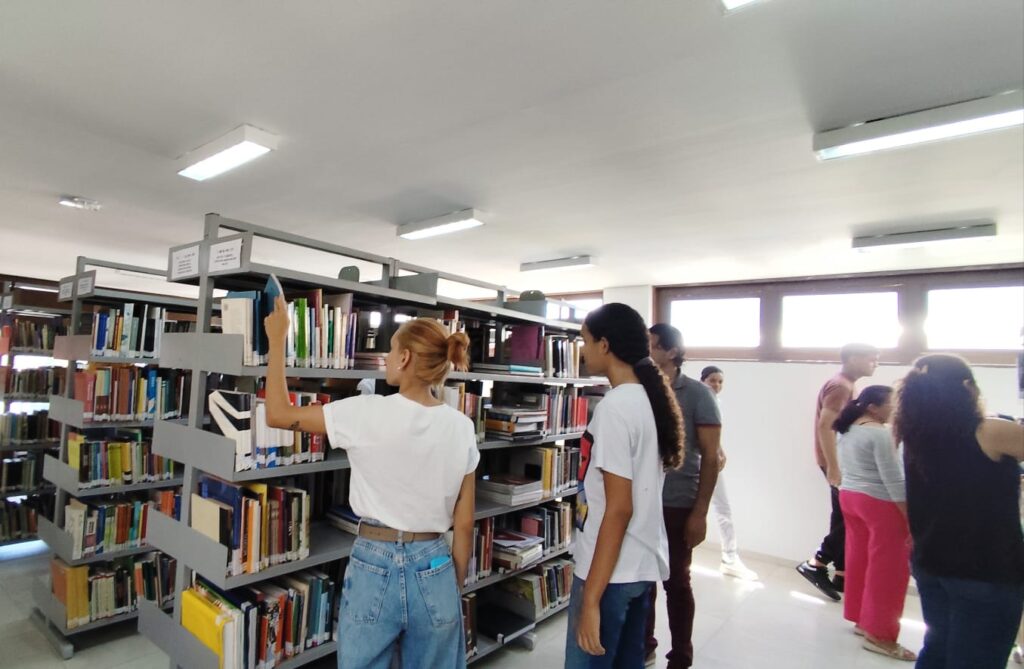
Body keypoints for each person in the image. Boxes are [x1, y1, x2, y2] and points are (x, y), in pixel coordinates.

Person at [263, 296, 479, 669]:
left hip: (374, 560)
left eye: (392, 348)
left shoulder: (365, 412)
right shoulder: (462, 427)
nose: (386, 357)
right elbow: (464, 522)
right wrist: (450, 585)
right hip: (436, 563)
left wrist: (278, 341)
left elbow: (278, 415)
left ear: (406, 358)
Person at [565, 303, 684, 669]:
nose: (582, 351)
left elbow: (619, 508)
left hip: (610, 574)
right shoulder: (648, 398)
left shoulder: (616, 408)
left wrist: (591, 601)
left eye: (585, 341)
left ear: (604, 344)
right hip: (639, 567)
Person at [893, 354, 1024, 669]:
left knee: (938, 650)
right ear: (967, 387)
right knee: (977, 659)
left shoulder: (914, 434)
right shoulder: (990, 431)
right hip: (984, 569)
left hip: (932, 562)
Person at [644, 324, 721, 669]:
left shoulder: (698, 395)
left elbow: (712, 457)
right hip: (643, 501)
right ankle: (644, 645)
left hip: (678, 502)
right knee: (642, 580)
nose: (645, 352)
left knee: (676, 582)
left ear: (671, 352)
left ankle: (681, 656)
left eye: (652, 346)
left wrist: (699, 512)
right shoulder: (640, 389)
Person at [835, 385, 916, 662]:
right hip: (878, 503)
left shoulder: (849, 427)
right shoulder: (879, 434)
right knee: (889, 570)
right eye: (891, 403)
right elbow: (893, 479)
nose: (895, 409)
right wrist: (909, 516)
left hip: (850, 497)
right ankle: (879, 635)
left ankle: (862, 619)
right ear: (873, 407)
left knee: (860, 559)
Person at [797, 343, 879, 602]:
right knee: (851, 517)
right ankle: (817, 562)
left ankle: (842, 573)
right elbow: (825, 426)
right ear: (853, 358)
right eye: (870, 358)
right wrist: (833, 465)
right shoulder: (841, 386)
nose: (874, 363)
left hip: (840, 462)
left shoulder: (846, 384)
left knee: (843, 515)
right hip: (838, 463)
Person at [699, 365, 758, 581]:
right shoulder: (699, 400)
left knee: (723, 508)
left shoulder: (717, 403)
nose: (716, 385)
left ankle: (730, 558)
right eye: (712, 380)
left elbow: (713, 435)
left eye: (720, 381)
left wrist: (720, 451)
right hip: (697, 462)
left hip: (711, 460)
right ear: (702, 380)